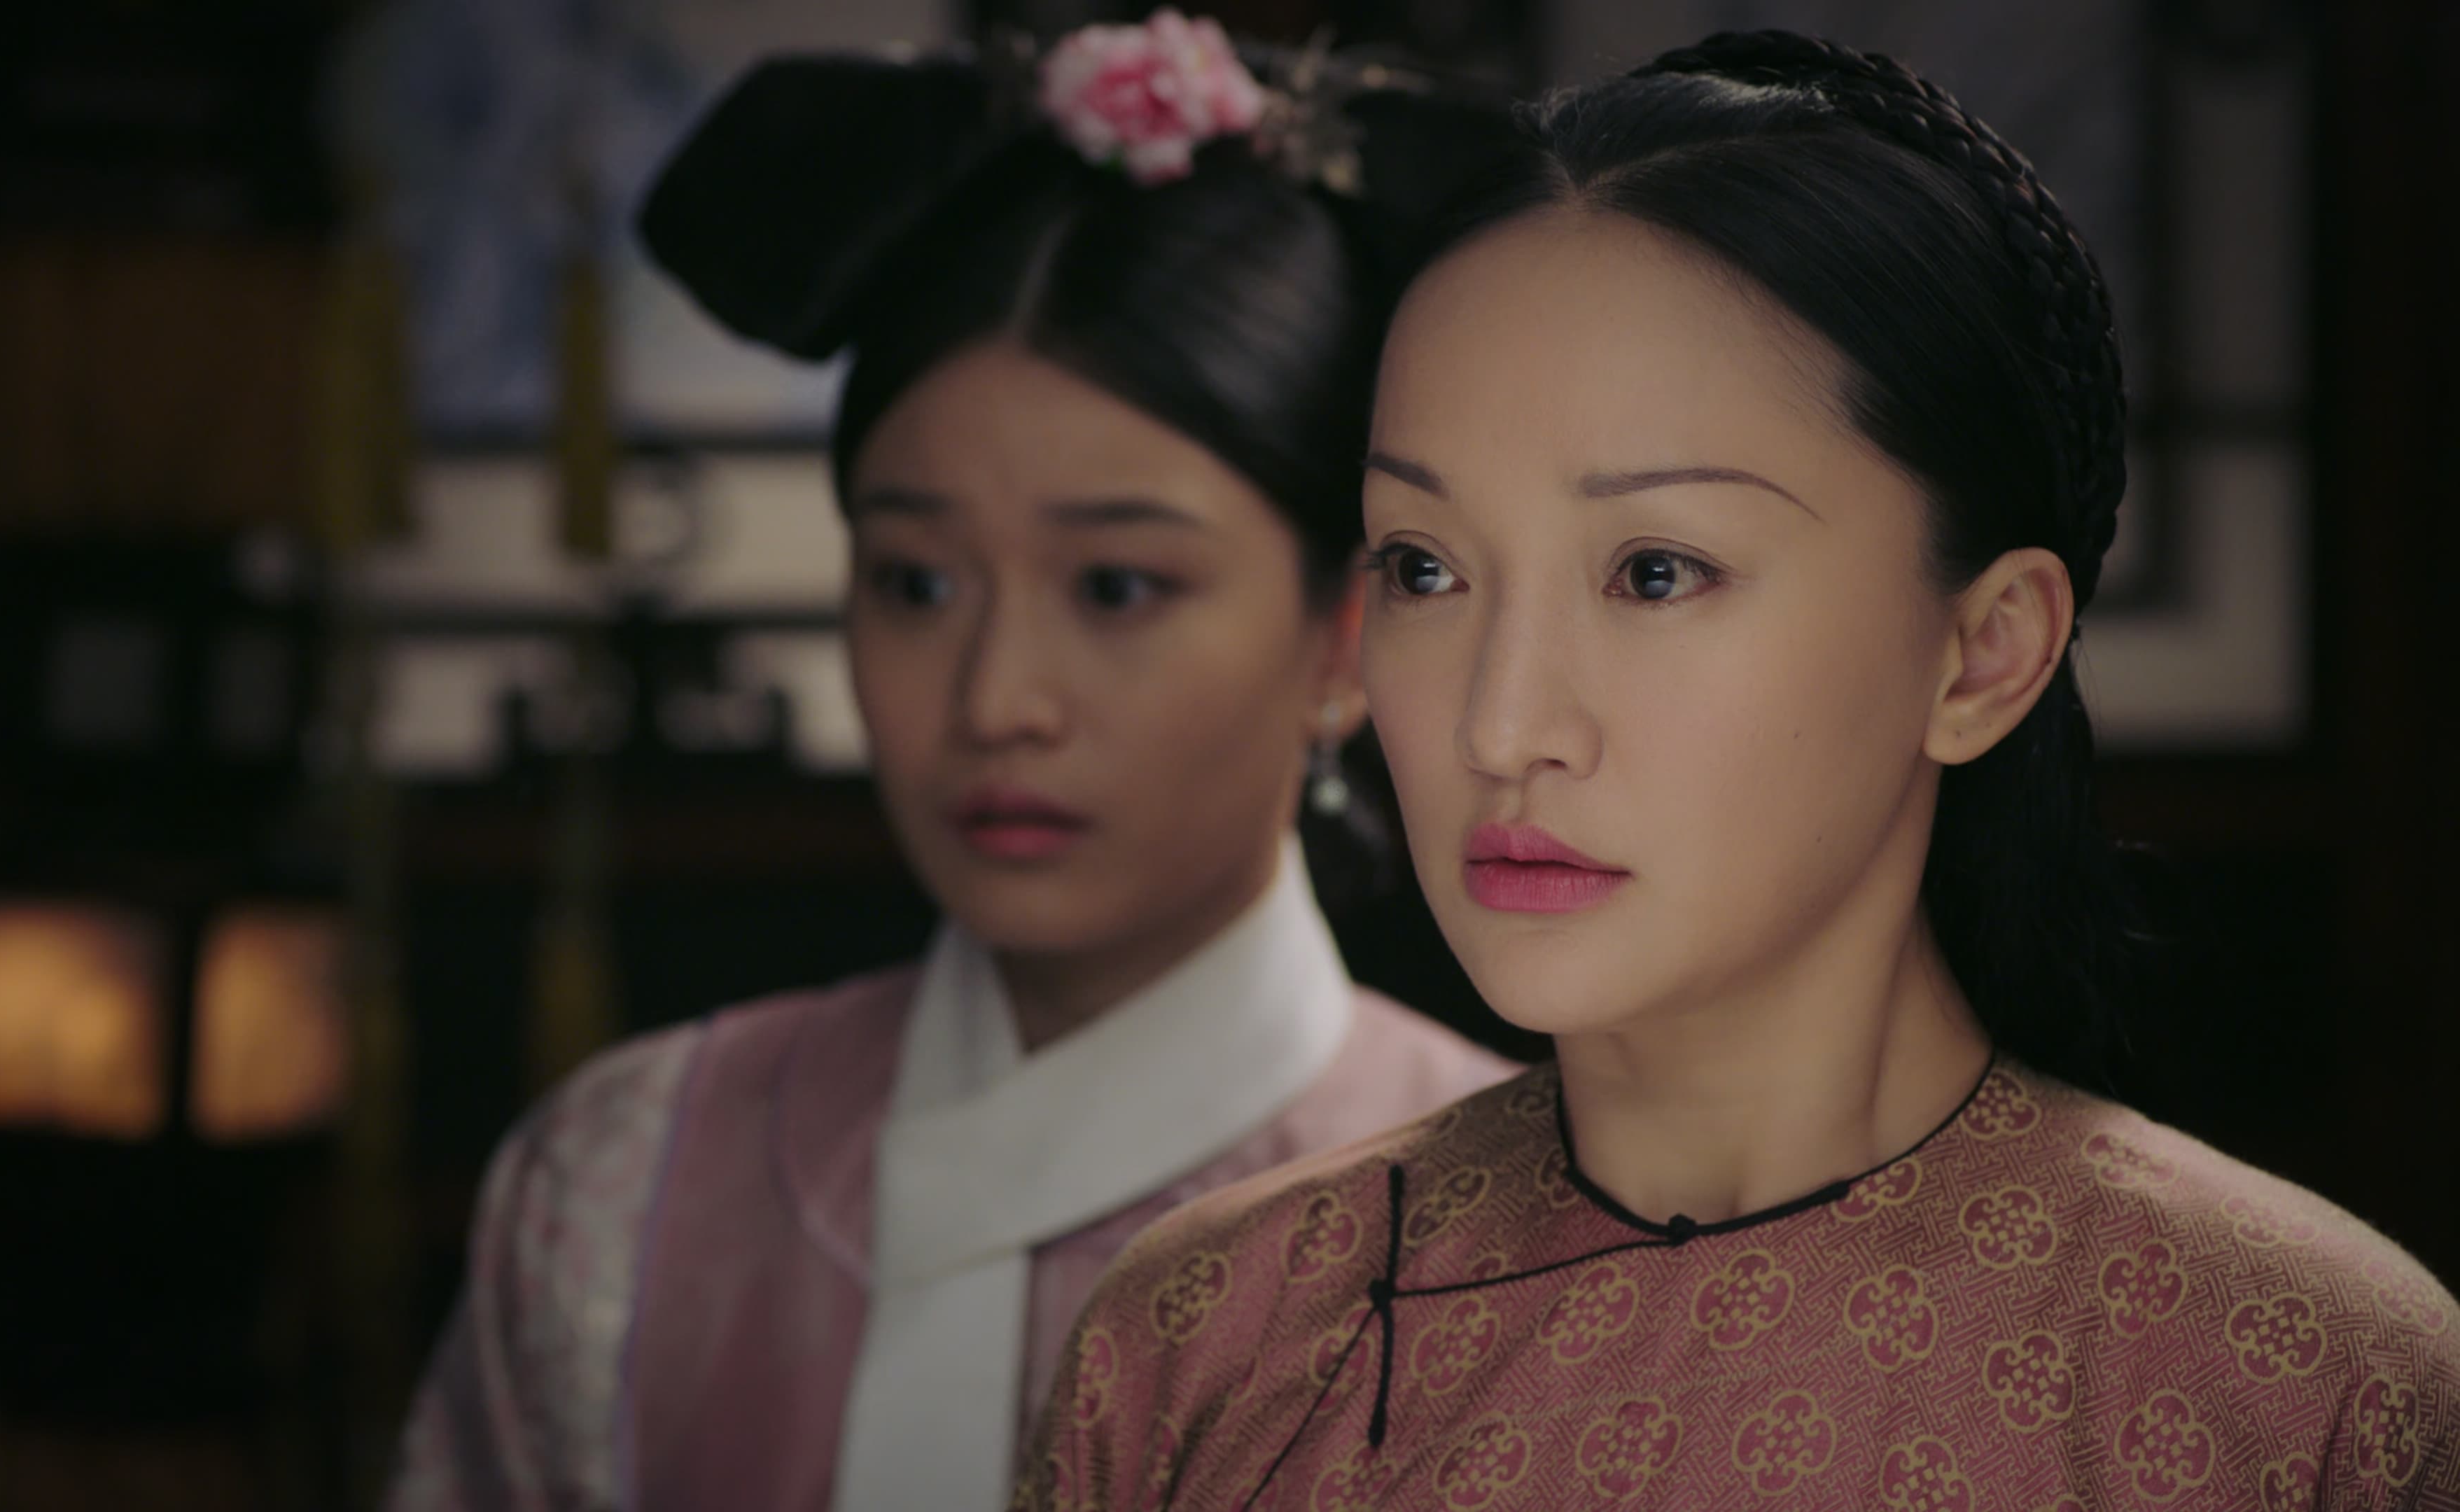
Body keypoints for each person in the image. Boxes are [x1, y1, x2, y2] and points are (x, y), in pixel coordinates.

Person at [1015, 31, 2460, 1511]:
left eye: (1656, 572)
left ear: (1983, 653)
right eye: (1424, 567)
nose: (1500, 729)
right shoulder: (1207, 1340)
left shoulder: (2301, 1392)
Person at [386, 15, 1520, 1512]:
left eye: (1117, 587)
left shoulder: (1531, 1234)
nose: (996, 699)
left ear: (1343, 638)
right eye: (916, 582)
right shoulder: (625, 1182)